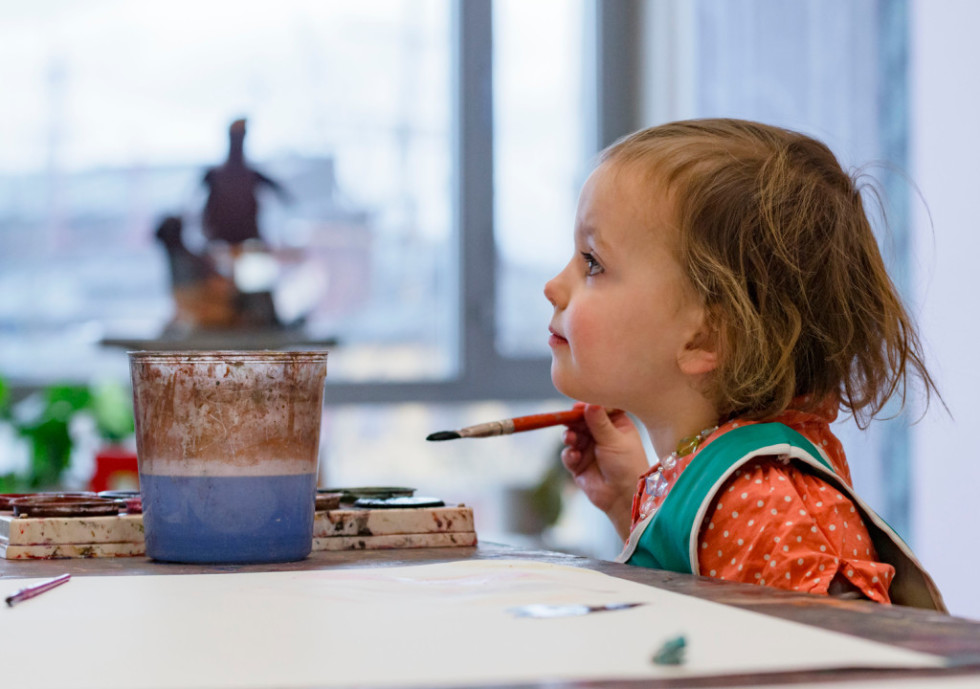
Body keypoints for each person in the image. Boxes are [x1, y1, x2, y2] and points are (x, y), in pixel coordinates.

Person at [545, 118, 946, 611]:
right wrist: (629, 500)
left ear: (703, 337)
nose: (554, 286)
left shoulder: (764, 504)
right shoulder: (732, 491)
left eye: (592, 262)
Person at [202, 118, 290, 246]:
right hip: (221, 239)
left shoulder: (250, 175)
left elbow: (282, 194)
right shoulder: (215, 174)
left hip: (246, 237)